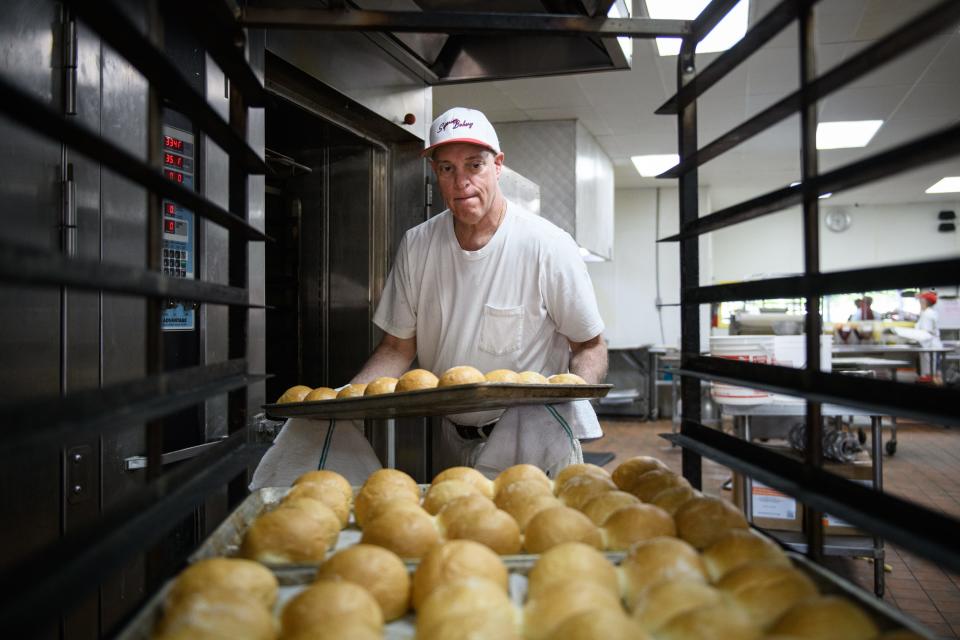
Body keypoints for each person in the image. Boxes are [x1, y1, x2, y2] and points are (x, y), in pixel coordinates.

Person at [251, 107, 608, 486]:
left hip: (536, 446)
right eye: (447, 169)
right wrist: (342, 405)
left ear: (498, 165)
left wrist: (563, 414)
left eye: (474, 165)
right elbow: (397, 349)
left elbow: (590, 345)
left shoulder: (546, 245)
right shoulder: (419, 244)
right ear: (435, 173)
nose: (461, 182)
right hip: (453, 441)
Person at [915, 290, 941, 382]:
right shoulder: (926, 312)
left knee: (929, 372)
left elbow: (926, 332)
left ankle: (928, 379)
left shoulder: (928, 314)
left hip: (929, 345)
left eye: (921, 301)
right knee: (928, 370)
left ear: (925, 302)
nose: (919, 302)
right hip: (927, 345)